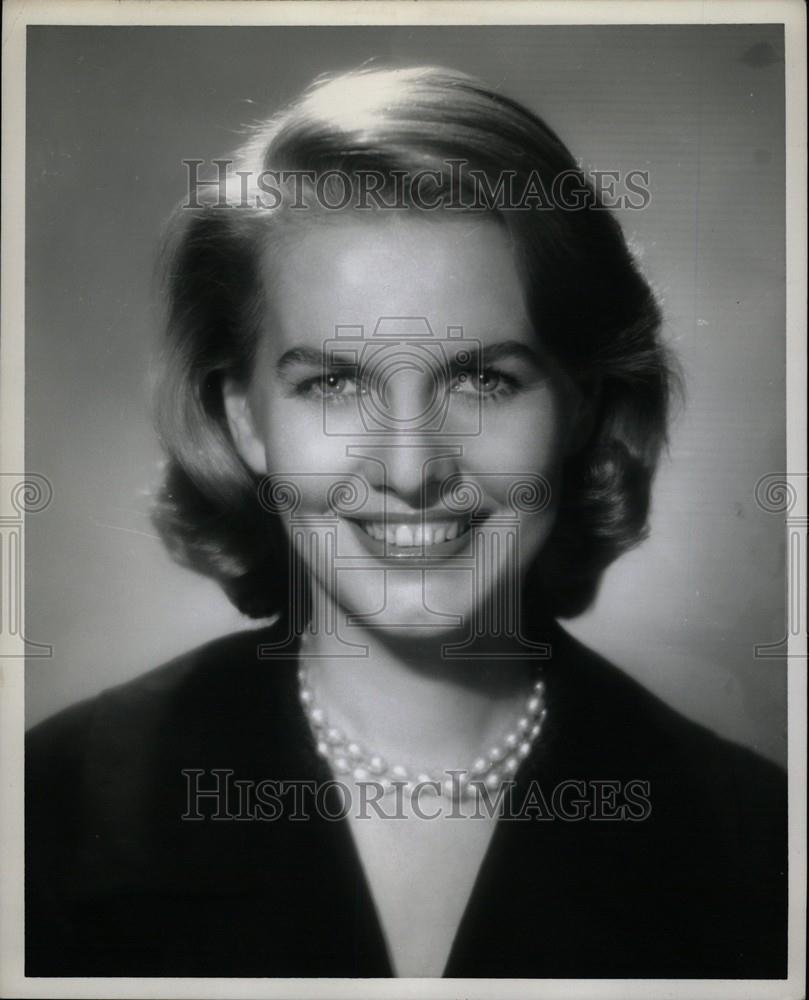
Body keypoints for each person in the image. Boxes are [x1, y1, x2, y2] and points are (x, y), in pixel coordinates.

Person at [25, 66, 787, 979]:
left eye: (483, 379)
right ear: (243, 419)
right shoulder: (47, 811)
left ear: (579, 407)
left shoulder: (754, 846)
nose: (409, 468)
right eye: (335, 384)